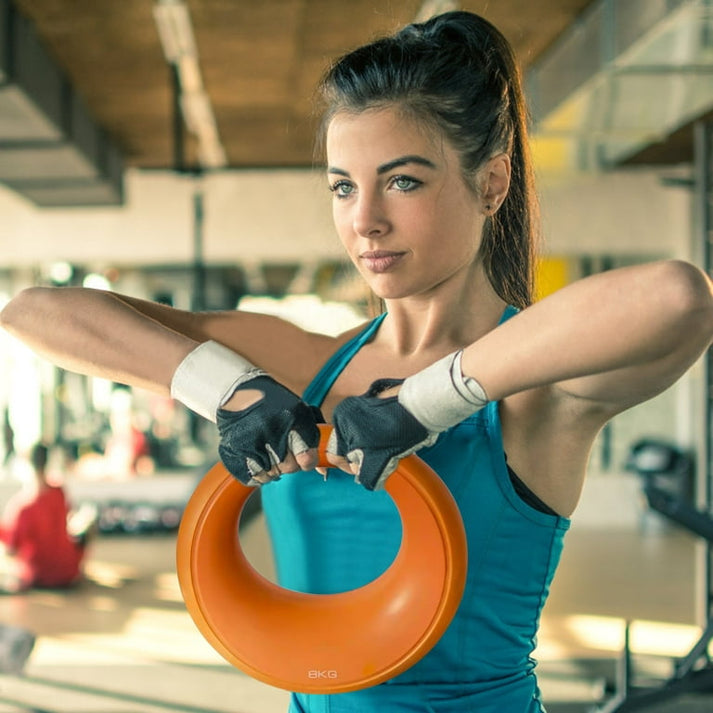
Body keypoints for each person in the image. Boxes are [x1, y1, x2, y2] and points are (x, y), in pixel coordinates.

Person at [1, 10, 712, 711]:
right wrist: (229, 388)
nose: (363, 218)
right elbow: (32, 311)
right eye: (343, 186)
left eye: (402, 181)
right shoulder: (300, 362)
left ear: (491, 184)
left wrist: (426, 402)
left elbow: (677, 297)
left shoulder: (536, 393)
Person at [0, 443, 93, 592]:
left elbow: (10, 550)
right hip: (68, 571)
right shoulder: (59, 492)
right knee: (88, 524)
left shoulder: (21, 507)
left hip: (38, 575)